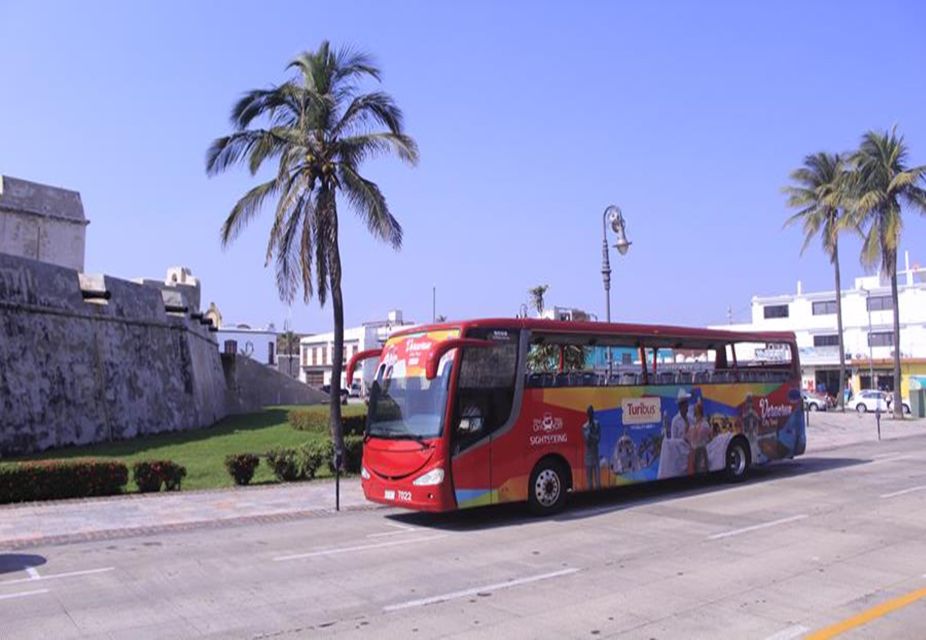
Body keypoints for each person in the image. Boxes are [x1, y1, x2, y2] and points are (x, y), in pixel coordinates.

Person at [686, 400, 712, 473]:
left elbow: (710, 438)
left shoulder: (704, 424)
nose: (695, 411)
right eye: (695, 409)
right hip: (695, 452)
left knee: (700, 471)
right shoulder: (694, 425)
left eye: (696, 409)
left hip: (700, 451)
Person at [581, 405, 601, 490]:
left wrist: (590, 435)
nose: (591, 414)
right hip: (588, 457)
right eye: (589, 413)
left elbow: (598, 439)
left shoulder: (597, 424)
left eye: (592, 412)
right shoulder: (584, 427)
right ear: (587, 414)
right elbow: (587, 441)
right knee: (589, 481)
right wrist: (592, 436)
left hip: (596, 456)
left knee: (598, 481)